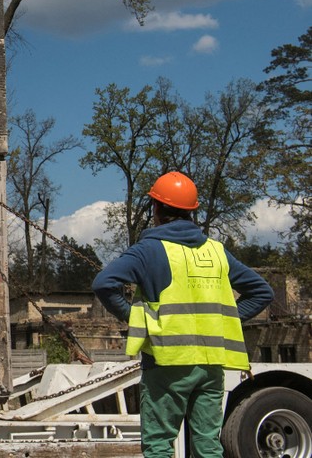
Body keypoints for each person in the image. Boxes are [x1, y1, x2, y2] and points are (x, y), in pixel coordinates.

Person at [92, 171, 273, 458]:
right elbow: (263, 292)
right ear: (191, 212)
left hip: (167, 363)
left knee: (159, 446)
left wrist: (137, 319)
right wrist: (225, 321)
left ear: (156, 209)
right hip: (211, 365)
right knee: (208, 446)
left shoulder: (148, 250)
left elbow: (103, 283)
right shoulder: (216, 251)